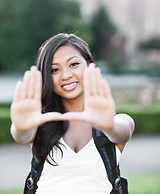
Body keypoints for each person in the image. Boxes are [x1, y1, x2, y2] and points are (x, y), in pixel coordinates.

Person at [10, 33, 135, 194]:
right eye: (54, 69)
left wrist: (108, 125)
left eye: (74, 64)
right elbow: (22, 135)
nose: (66, 75)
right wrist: (20, 126)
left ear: (90, 65)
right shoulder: (41, 122)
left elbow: (121, 132)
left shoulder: (116, 122)